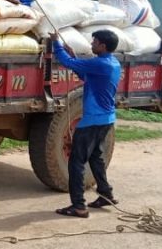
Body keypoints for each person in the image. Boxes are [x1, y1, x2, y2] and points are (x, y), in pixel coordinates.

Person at [50, 30, 121, 218]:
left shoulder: (100, 63)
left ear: (103, 46)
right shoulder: (112, 63)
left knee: (76, 162)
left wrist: (56, 44)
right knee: (96, 157)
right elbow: (85, 75)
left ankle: (78, 206)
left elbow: (67, 63)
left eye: (95, 42)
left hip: (92, 120)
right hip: (106, 119)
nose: (92, 44)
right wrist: (72, 55)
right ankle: (106, 194)